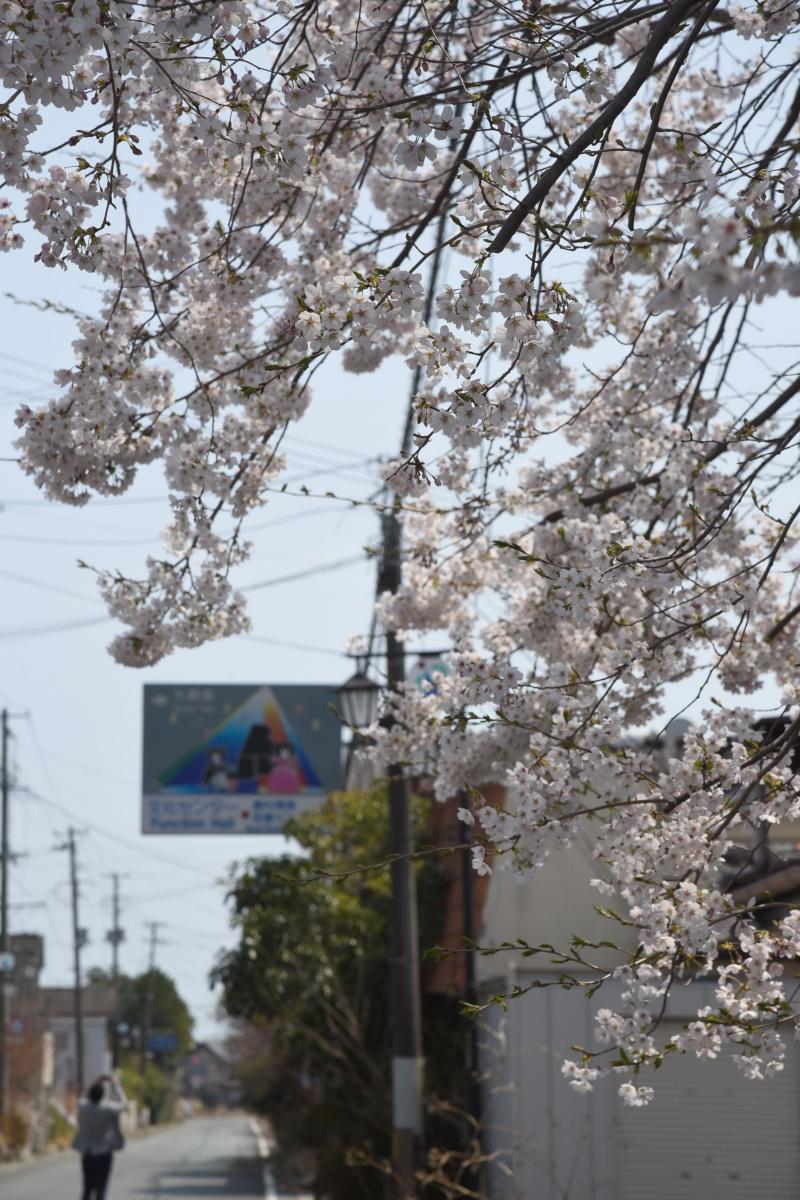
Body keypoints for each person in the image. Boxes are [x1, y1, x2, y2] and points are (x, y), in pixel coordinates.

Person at [72, 1072, 127, 1200]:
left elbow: (82, 1096)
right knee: (101, 1189)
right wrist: (116, 1085)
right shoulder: (107, 1108)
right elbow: (123, 1104)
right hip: (104, 1153)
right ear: (102, 1095)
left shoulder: (83, 1107)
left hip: (87, 1152)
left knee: (87, 1187)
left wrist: (96, 1081)